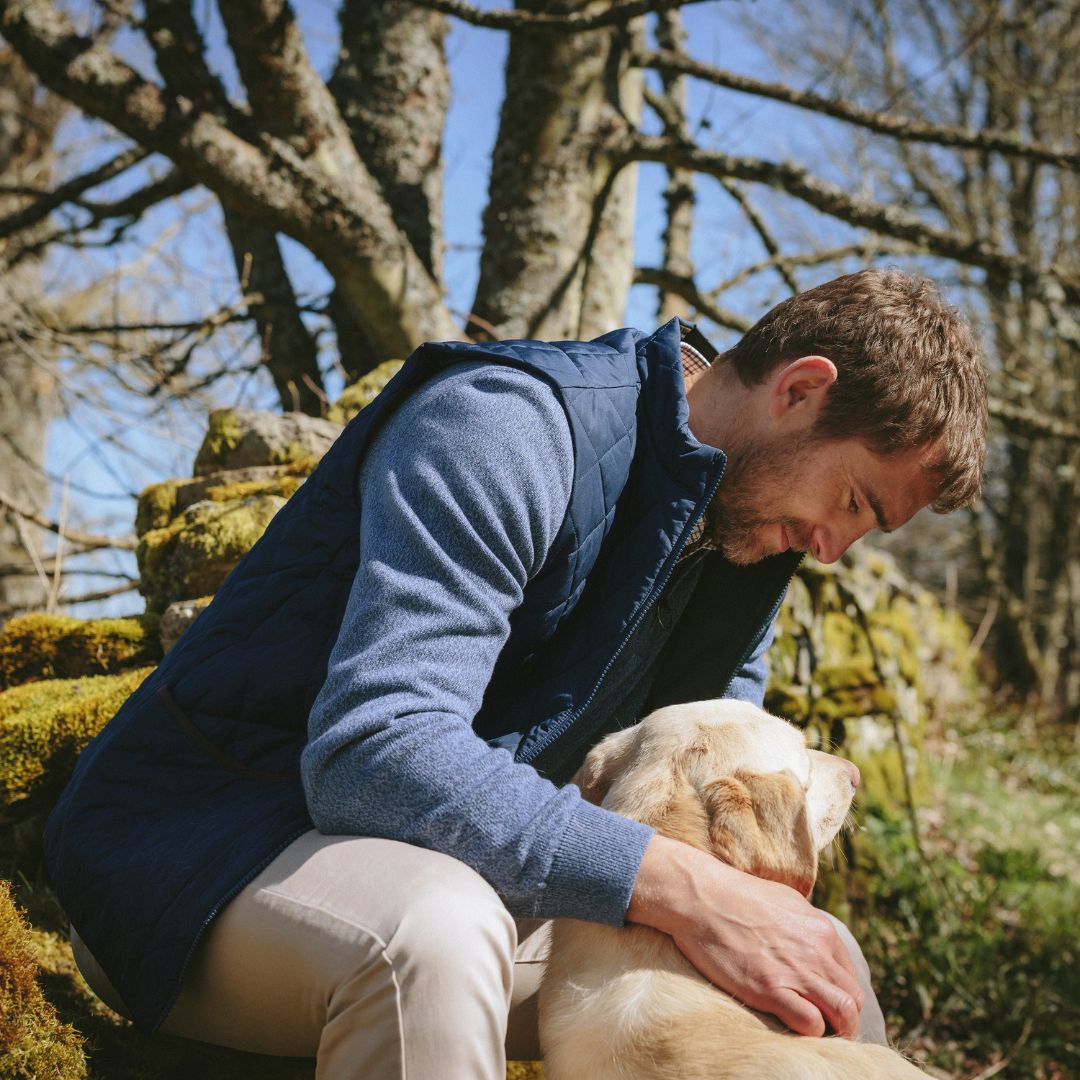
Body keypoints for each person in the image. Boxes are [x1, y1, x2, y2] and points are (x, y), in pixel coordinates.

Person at [48, 268, 987, 1079]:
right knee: (436, 932)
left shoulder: (749, 534)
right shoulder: (508, 427)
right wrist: (687, 890)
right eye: (855, 499)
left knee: (819, 966)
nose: (833, 548)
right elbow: (377, 752)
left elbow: (710, 829)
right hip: (203, 862)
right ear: (801, 389)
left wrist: (735, 904)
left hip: (477, 884)